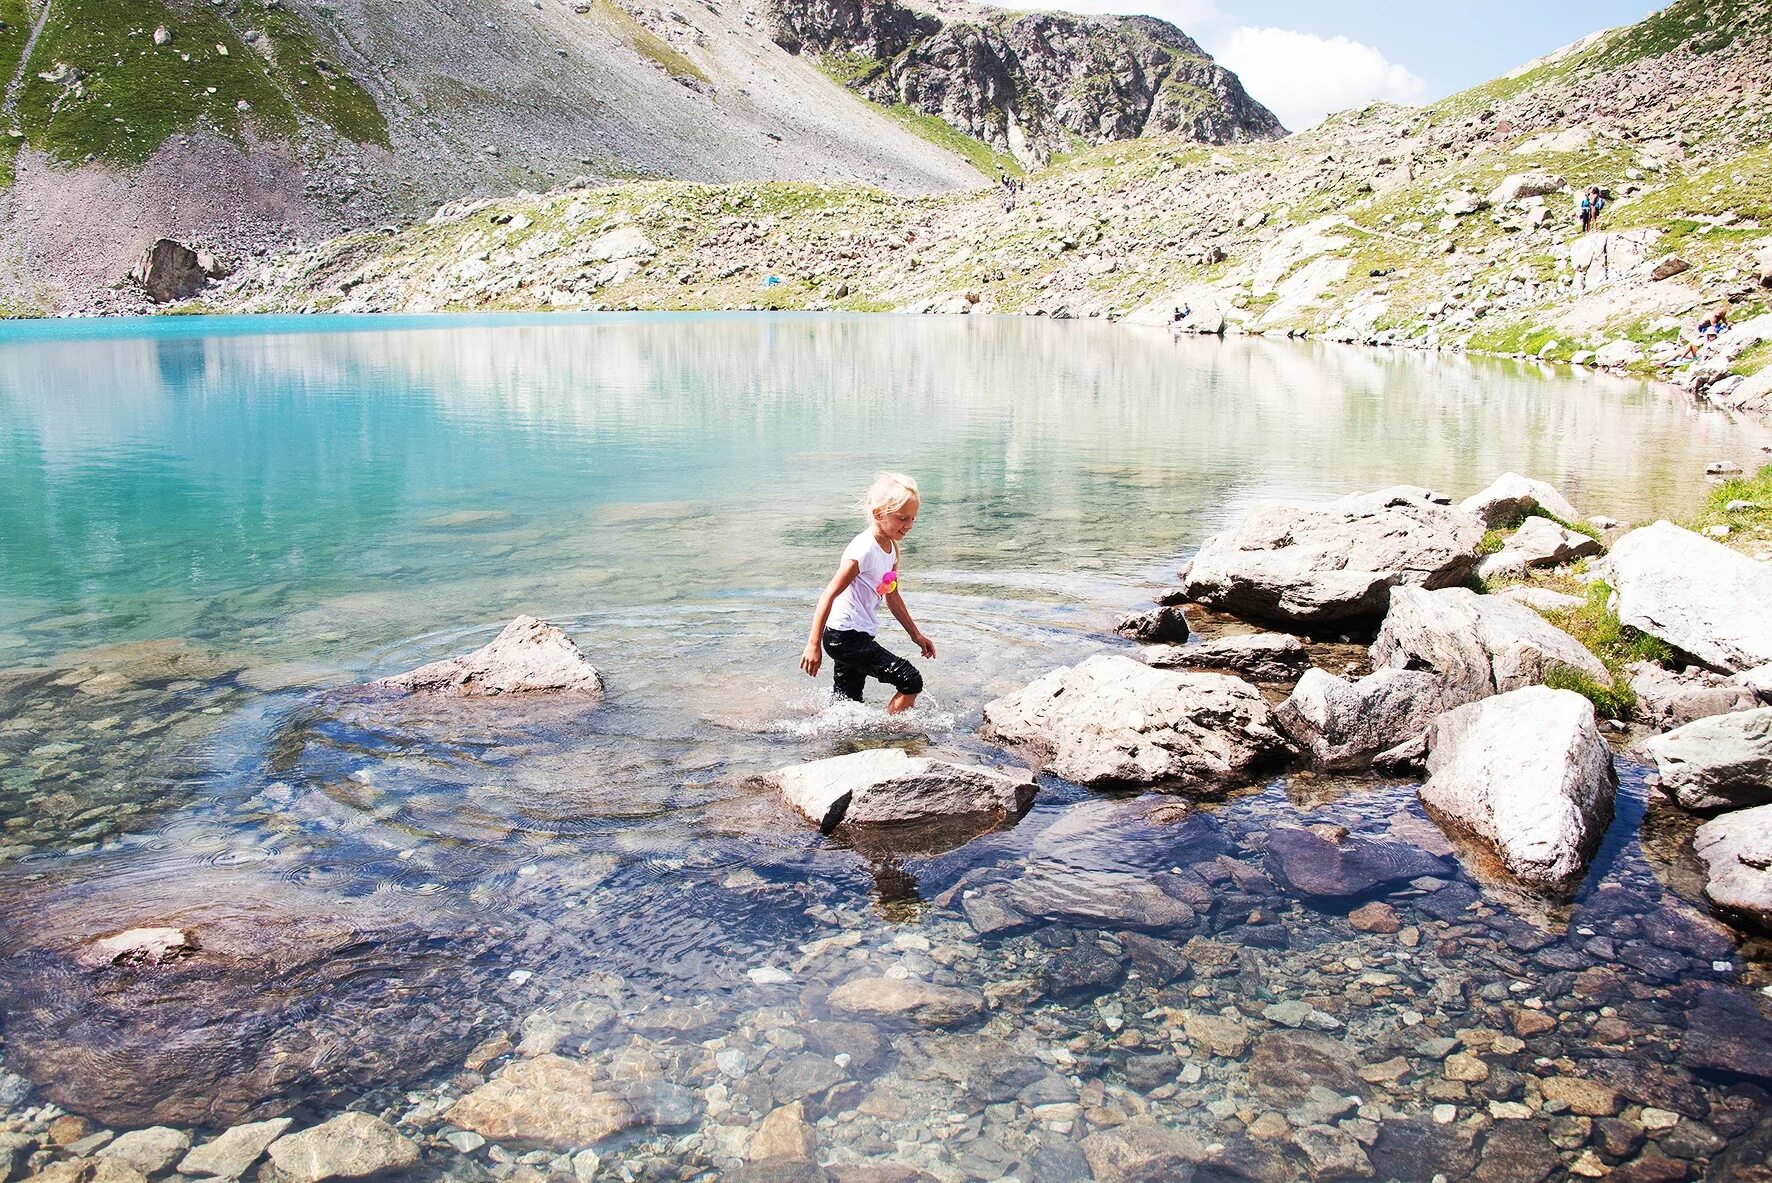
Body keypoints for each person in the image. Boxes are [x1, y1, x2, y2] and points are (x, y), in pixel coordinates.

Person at [800, 472, 936, 714]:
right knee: (909, 679)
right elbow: (828, 595)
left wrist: (916, 636)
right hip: (844, 637)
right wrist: (813, 645)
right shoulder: (863, 550)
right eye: (903, 518)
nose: (909, 526)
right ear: (878, 514)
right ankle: (893, 734)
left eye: (913, 518)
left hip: (855, 634)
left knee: (847, 703)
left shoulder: (892, 548)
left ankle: (838, 741)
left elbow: (891, 595)